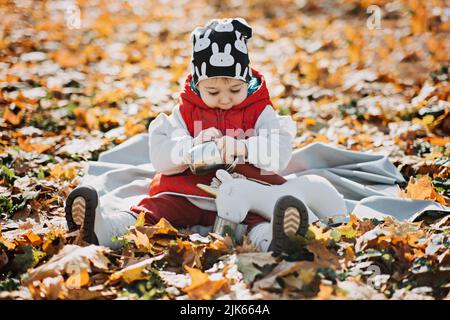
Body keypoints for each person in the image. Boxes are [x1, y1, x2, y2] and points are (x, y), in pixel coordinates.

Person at [65, 18, 329, 254]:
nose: (224, 99)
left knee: (257, 220)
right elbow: (161, 157)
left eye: (235, 89)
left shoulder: (260, 109)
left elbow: (279, 153)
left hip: (245, 193)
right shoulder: (186, 111)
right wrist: (190, 147)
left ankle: (275, 240)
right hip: (187, 191)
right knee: (154, 209)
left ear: (246, 80)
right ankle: (104, 229)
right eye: (213, 92)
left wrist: (244, 147)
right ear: (197, 82)